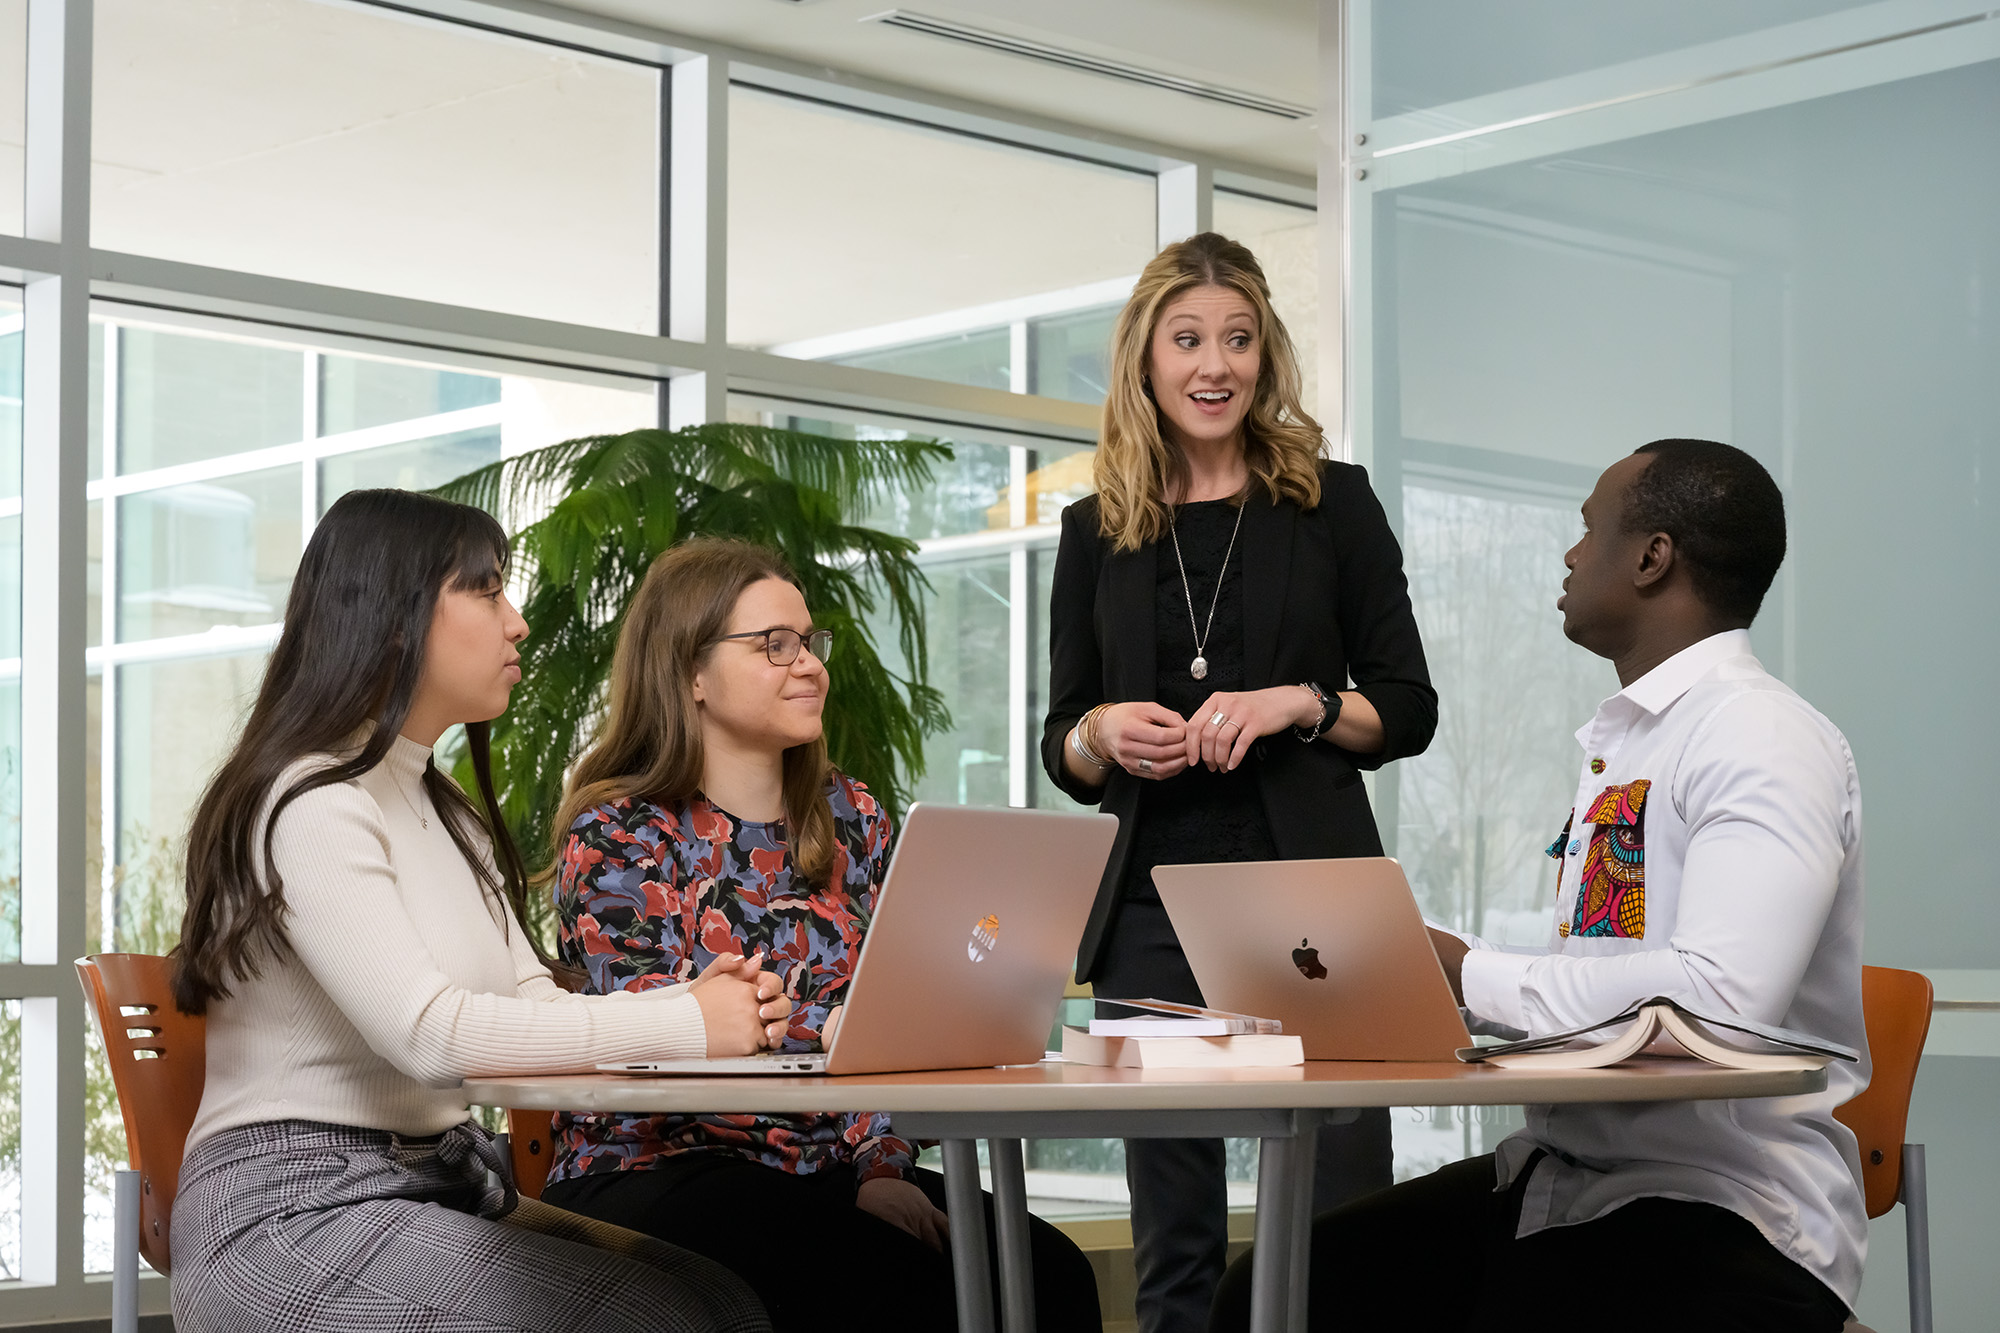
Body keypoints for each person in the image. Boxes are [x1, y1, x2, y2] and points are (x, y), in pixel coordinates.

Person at [1210, 439, 1868, 1333]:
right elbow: (1603, 985)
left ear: (1651, 557)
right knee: (1273, 1293)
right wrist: (1402, 963)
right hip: (1564, 1173)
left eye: (1588, 528)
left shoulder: (1762, 738)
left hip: (1728, 1205)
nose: (1569, 553)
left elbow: (1719, 1001)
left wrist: (1467, 970)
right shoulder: (1629, 744)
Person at [168, 490, 789, 1333]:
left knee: (727, 1303)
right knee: (660, 1321)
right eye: (489, 590)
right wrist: (689, 1026)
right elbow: (434, 1038)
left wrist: (689, 1004)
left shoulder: (444, 805)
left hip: (435, 1184)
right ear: (396, 617)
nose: (518, 622)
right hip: (288, 1216)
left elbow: (530, 999)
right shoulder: (307, 800)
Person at [537, 537, 1102, 1333]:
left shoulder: (851, 816)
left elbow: (889, 1010)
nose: (809, 664)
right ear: (689, 672)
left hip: (823, 1165)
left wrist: (880, 1166)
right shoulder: (620, 834)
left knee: (1053, 1277)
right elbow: (647, 1025)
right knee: (897, 1286)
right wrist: (833, 1028)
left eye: (809, 641)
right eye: (774, 644)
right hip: (658, 1164)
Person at [1041, 232, 1438, 1333]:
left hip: (1310, 898)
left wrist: (1299, 703)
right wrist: (1102, 732)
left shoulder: (1333, 506)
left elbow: (1405, 706)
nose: (1213, 364)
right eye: (1186, 340)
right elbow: (1059, 743)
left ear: (1264, 355)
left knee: (1344, 1209)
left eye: (1237, 338)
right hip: (1146, 912)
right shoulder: (1094, 529)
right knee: (1173, 1235)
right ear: (1144, 358)